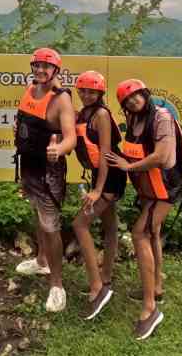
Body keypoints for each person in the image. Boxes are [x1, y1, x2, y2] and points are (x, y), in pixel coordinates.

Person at [106, 78, 182, 341]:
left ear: (145, 94)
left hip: (165, 186)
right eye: (127, 99)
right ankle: (157, 286)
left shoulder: (160, 117)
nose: (133, 100)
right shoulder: (134, 121)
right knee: (152, 234)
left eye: (136, 95)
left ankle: (150, 308)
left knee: (139, 232)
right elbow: (135, 151)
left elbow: (162, 156)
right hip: (148, 187)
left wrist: (128, 167)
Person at [13, 47, 76, 313]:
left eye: (46, 67)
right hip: (28, 165)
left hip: (49, 172)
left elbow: (71, 136)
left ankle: (57, 285)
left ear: (56, 71)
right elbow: (26, 119)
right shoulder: (30, 89)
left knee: (51, 226)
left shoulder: (61, 99)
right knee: (37, 215)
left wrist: (58, 149)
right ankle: (41, 261)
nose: (40, 71)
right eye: (36, 66)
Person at [71, 70, 126, 320]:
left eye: (91, 91)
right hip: (99, 175)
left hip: (110, 176)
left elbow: (105, 154)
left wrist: (97, 190)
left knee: (80, 223)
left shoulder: (101, 115)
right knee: (110, 226)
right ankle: (106, 275)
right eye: (82, 90)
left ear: (100, 93)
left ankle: (98, 287)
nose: (85, 94)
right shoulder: (84, 112)